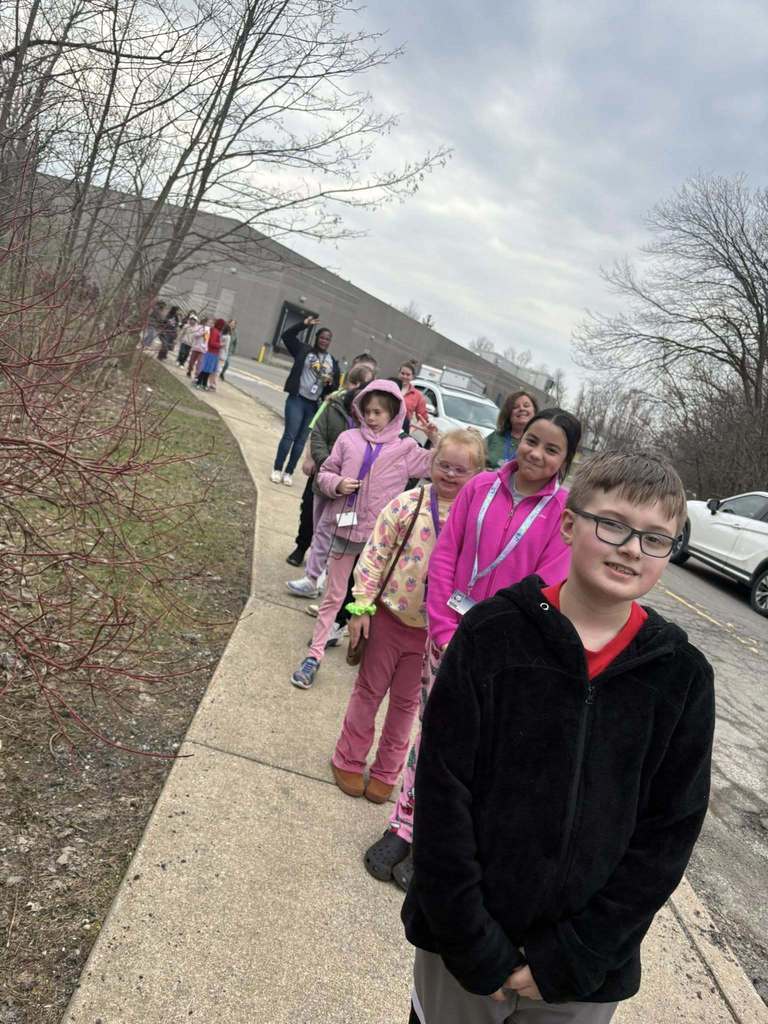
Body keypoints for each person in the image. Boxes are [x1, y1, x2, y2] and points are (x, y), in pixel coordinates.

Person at [402, 451, 714, 1024]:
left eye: (655, 539)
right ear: (569, 523)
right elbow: (443, 794)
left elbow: (668, 834)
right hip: (463, 943)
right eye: (613, 524)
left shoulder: (681, 677)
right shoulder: (493, 634)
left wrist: (574, 957)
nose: (630, 548)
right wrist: (474, 942)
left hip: (581, 971)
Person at [366, 408, 581, 890]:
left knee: (473, 748)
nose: (537, 454)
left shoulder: (560, 516)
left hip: (503, 653)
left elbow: (546, 585)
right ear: (518, 438)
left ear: (566, 460)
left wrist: (497, 642)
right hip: (446, 638)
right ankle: (403, 825)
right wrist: (443, 627)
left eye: (552, 449)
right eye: (532, 441)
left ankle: (437, 843)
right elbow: (446, 556)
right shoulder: (478, 489)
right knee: (430, 733)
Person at [330, 429, 485, 804]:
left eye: (460, 470)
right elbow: (375, 553)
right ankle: (348, 758)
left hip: (433, 633)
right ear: (431, 464)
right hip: (387, 617)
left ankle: (387, 770)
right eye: (443, 465)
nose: (449, 474)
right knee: (368, 692)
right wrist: (361, 607)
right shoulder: (407, 504)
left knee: (406, 705)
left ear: (479, 475)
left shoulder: (476, 521)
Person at [290, 379, 438, 690]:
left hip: (383, 542)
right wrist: (337, 484)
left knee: (377, 602)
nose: (371, 418)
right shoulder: (347, 439)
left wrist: (436, 440)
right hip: (344, 530)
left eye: (379, 413)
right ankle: (313, 656)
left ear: (394, 414)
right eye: (368, 411)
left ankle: (370, 659)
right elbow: (325, 473)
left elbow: (436, 468)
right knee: (333, 595)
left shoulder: (406, 448)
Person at [286, 364, 375, 588]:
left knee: (341, 535)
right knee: (319, 528)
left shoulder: (373, 421)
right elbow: (317, 436)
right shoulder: (333, 406)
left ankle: (325, 579)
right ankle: (312, 577)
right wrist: (330, 468)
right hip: (325, 482)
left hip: (352, 493)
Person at [271, 316, 340, 488]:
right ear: (317, 338)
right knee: (289, 435)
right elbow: (286, 336)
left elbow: (334, 388)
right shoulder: (304, 351)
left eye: (328, 339)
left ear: (330, 342)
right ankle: (277, 469)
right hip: (297, 399)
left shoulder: (332, 361)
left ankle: (289, 472)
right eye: (322, 337)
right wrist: (303, 325)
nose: (324, 341)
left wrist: (330, 383)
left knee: (301, 441)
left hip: (313, 405)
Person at [484, 390, 538, 469]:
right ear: (508, 413)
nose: (521, 408)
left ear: (535, 412)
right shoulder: (495, 436)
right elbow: (476, 461)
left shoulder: (539, 443)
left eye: (526, 406)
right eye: (515, 407)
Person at [398, 362, 430, 429]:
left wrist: (410, 430)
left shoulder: (417, 395)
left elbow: (423, 418)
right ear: (398, 373)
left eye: (408, 374)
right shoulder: (390, 387)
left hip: (401, 431)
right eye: (402, 373)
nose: (404, 376)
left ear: (412, 376)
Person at [194, 318, 223, 390]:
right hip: (211, 353)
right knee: (206, 369)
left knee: (208, 370)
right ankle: (199, 383)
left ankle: (203, 384)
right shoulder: (215, 332)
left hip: (213, 353)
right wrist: (220, 345)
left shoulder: (215, 331)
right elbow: (211, 343)